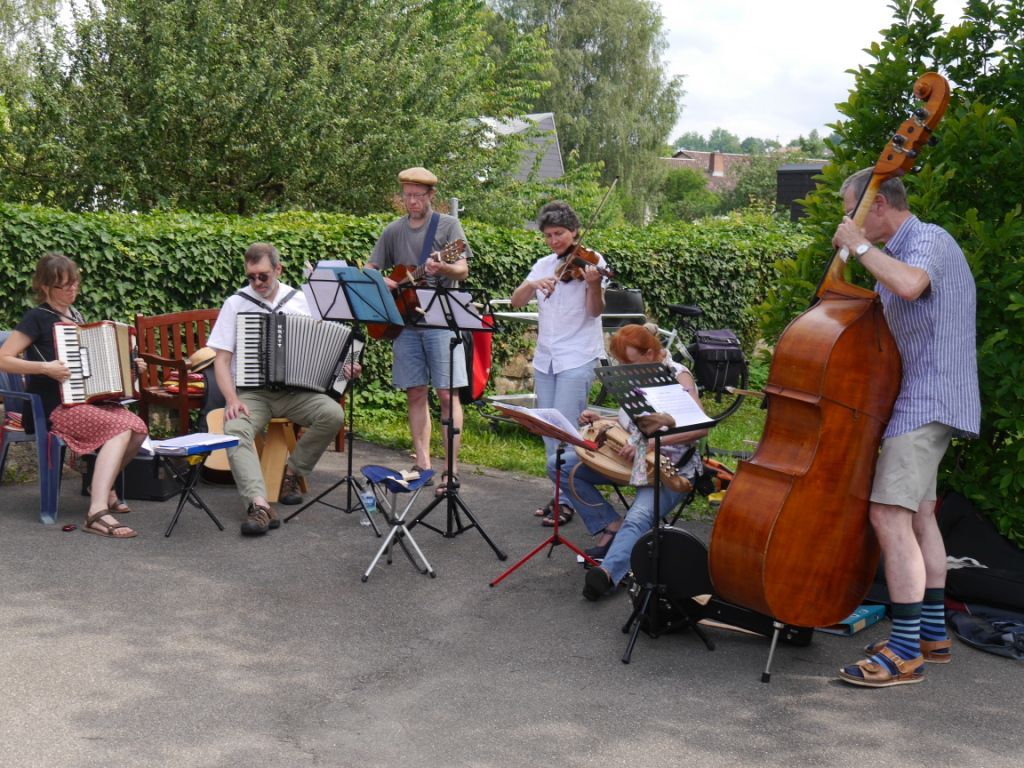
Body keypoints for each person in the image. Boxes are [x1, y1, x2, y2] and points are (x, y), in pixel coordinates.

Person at [832, 168, 980, 687]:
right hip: (926, 396)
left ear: (878, 204)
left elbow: (912, 286)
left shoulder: (928, 240)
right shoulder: (895, 253)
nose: (846, 219)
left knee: (888, 517)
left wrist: (856, 246)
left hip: (928, 399)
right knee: (919, 517)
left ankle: (902, 653)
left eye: (852, 209)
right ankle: (931, 636)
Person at [208, 243, 359, 536]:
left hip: (297, 393)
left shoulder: (302, 301)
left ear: (278, 269)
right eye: (251, 277)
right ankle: (259, 505)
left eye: (263, 276)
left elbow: (331, 349)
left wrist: (346, 368)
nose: (256, 283)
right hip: (253, 393)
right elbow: (222, 360)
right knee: (235, 428)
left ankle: (293, 473)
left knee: (332, 414)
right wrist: (231, 399)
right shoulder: (236, 303)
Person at [555, 324, 709, 600]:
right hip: (630, 461)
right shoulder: (638, 374)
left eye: (631, 362)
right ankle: (611, 524)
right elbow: (633, 422)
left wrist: (651, 443)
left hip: (666, 468)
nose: (626, 368)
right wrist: (603, 420)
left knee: (638, 516)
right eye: (622, 363)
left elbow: (700, 427)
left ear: (650, 352)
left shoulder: (677, 376)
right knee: (563, 466)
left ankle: (607, 574)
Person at [0, 252, 148, 538]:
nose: (72, 289)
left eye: (75, 283)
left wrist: (131, 366)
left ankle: (99, 485)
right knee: (119, 429)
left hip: (80, 401)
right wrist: (45, 368)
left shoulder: (76, 316)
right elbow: (3, 358)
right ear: (45, 287)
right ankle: (96, 512)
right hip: (52, 408)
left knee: (138, 429)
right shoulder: (36, 318)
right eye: (64, 285)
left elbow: (94, 365)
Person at [367, 167, 471, 496]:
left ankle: (451, 470)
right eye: (407, 195)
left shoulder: (447, 226)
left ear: (431, 197)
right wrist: (381, 281)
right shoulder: (393, 231)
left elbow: (463, 269)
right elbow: (371, 269)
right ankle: (423, 463)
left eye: (418, 196)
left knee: (446, 393)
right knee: (414, 392)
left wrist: (444, 266)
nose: (411, 201)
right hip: (406, 323)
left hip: (440, 320)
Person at [510, 200, 607, 526]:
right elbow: (516, 300)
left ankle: (567, 502)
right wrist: (532, 284)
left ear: (575, 231)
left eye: (560, 234)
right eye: (549, 235)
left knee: (565, 431)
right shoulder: (543, 265)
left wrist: (594, 285)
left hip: (577, 356)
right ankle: (560, 496)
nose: (554, 241)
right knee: (547, 432)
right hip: (546, 358)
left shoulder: (592, 262)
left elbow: (595, 311)